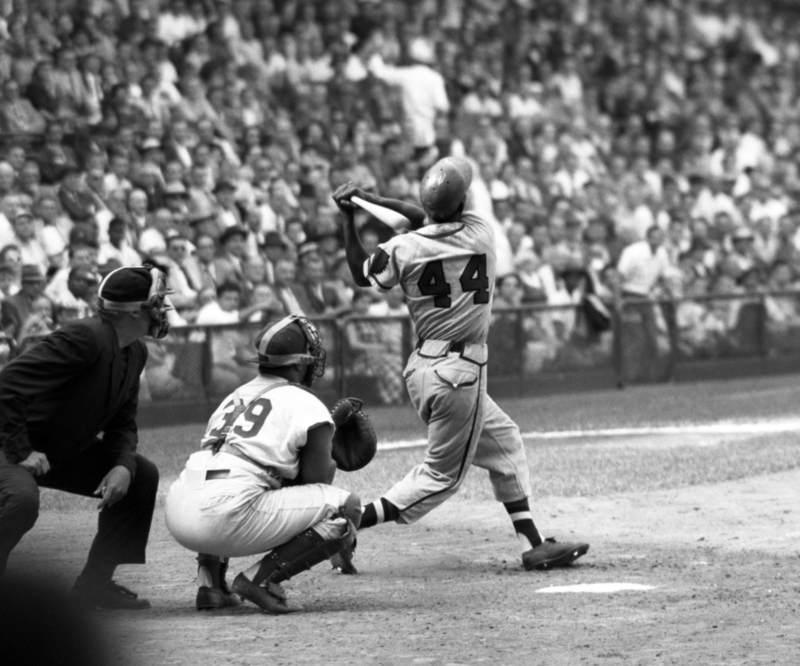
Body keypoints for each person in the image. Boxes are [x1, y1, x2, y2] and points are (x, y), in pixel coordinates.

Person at [332, 157, 589, 573]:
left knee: (504, 442)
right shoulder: (481, 233)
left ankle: (533, 543)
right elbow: (425, 216)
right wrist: (371, 200)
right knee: (442, 477)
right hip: (460, 373)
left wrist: (351, 215)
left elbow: (365, 274)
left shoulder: (403, 248)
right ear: (463, 201)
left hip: (425, 367)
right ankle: (345, 525)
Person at [165, 315, 360, 614]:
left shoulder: (232, 396)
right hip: (223, 514)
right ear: (297, 365)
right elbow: (316, 481)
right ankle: (261, 580)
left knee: (232, 485)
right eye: (310, 359)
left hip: (178, 508)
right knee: (345, 506)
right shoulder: (305, 401)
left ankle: (211, 584)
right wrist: (328, 448)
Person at [0, 266, 169, 609]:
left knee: (140, 474)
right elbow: (7, 385)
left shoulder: (135, 350)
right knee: (22, 500)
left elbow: (123, 423)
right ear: (135, 310)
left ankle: (95, 584)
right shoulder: (86, 335)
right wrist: (21, 451)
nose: (162, 309)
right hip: (11, 443)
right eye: (157, 302)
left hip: (55, 449)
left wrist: (122, 465)